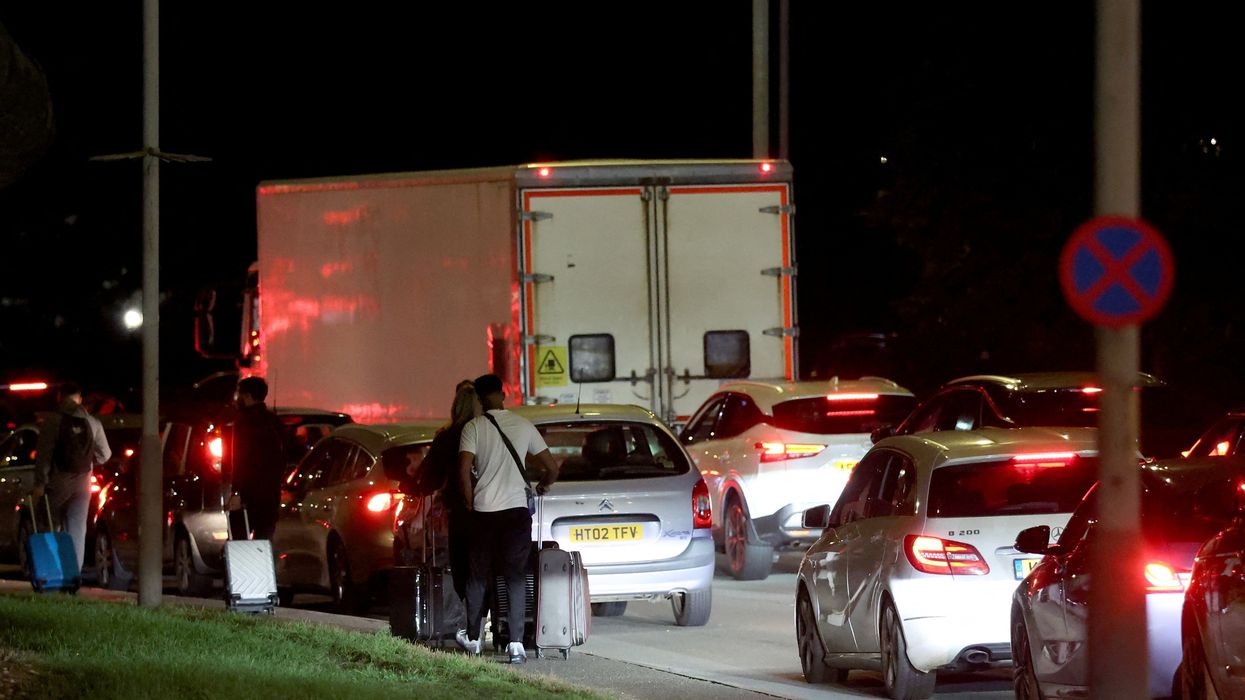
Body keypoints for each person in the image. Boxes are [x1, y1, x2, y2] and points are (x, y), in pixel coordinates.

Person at [456, 373, 558, 664]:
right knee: (515, 576)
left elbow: (463, 469)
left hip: (484, 512)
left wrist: (469, 501)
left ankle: (474, 639)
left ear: (478, 397)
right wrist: (543, 485)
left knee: (477, 576)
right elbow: (552, 467)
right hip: (515, 513)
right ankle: (515, 645)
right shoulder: (523, 425)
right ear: (503, 393)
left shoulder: (473, 428)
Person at [31, 381, 111, 570]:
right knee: (77, 528)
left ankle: (53, 571)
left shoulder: (53, 421)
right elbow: (105, 454)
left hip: (59, 480)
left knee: (51, 523)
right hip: (83, 481)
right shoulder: (93, 422)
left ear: (60, 398)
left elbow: (44, 455)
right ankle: (73, 574)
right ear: (79, 399)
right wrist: (89, 463)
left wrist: (40, 483)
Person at [417, 380, 480, 604]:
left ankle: (472, 620)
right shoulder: (490, 433)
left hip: (462, 511)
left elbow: (429, 476)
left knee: (463, 566)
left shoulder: (447, 437)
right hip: (495, 507)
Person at [227, 377, 285, 540]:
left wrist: (236, 492)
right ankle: (263, 565)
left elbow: (240, 458)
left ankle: (245, 566)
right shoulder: (274, 421)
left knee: (239, 540)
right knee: (264, 539)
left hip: (248, 493)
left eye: (239, 394)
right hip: (271, 494)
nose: (237, 398)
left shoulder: (243, 422)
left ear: (247, 396)